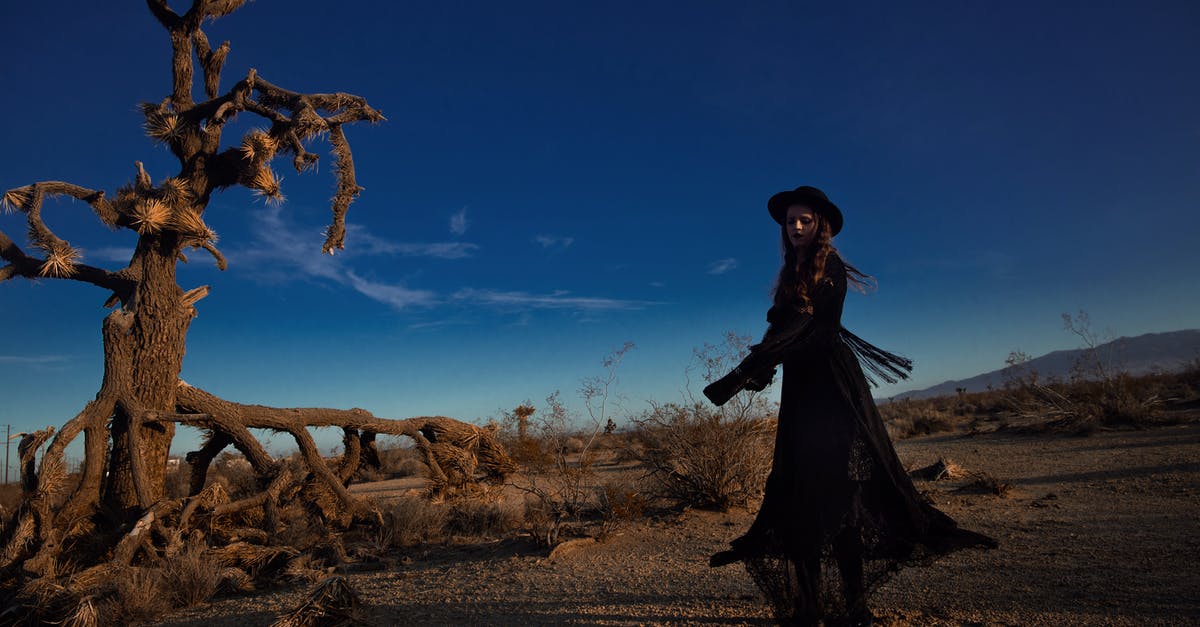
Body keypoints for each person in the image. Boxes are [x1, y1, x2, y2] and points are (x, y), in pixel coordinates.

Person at [706, 185, 997, 626]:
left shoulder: (832, 268)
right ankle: (809, 608)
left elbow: (807, 328)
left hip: (835, 392)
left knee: (845, 498)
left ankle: (855, 608)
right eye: (791, 221)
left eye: (805, 220)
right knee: (800, 494)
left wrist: (745, 370)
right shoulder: (791, 273)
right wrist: (759, 366)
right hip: (802, 393)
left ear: (820, 224)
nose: (798, 227)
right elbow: (781, 329)